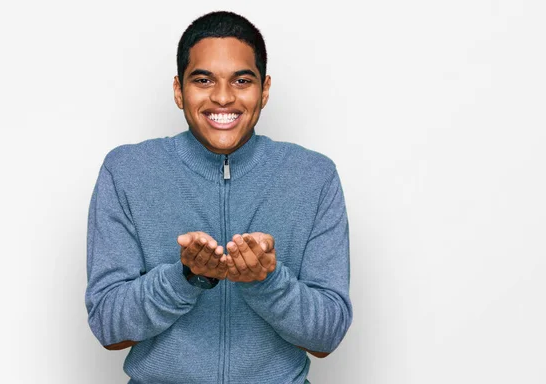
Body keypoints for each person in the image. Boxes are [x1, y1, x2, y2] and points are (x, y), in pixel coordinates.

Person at [85, 10, 353, 384]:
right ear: (179, 91)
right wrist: (186, 278)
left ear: (265, 90)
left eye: (242, 80)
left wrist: (265, 280)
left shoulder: (314, 176)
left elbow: (327, 336)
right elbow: (108, 328)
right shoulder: (126, 171)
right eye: (203, 80)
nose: (223, 97)